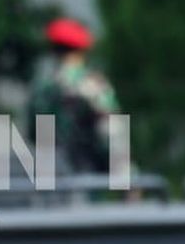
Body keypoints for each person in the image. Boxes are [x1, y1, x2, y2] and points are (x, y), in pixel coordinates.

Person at [30, 17, 122, 173]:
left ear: (53, 51)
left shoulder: (42, 89)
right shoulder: (93, 86)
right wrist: (127, 177)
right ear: (82, 51)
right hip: (88, 176)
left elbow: (34, 135)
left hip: (52, 178)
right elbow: (110, 135)